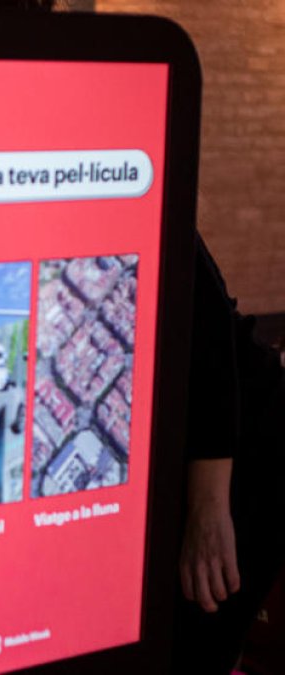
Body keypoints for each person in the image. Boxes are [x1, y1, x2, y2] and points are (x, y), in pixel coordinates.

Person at [174, 233, 285, 672]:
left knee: (199, 627)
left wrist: (209, 510)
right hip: (204, 452)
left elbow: (213, 337)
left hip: (245, 455)